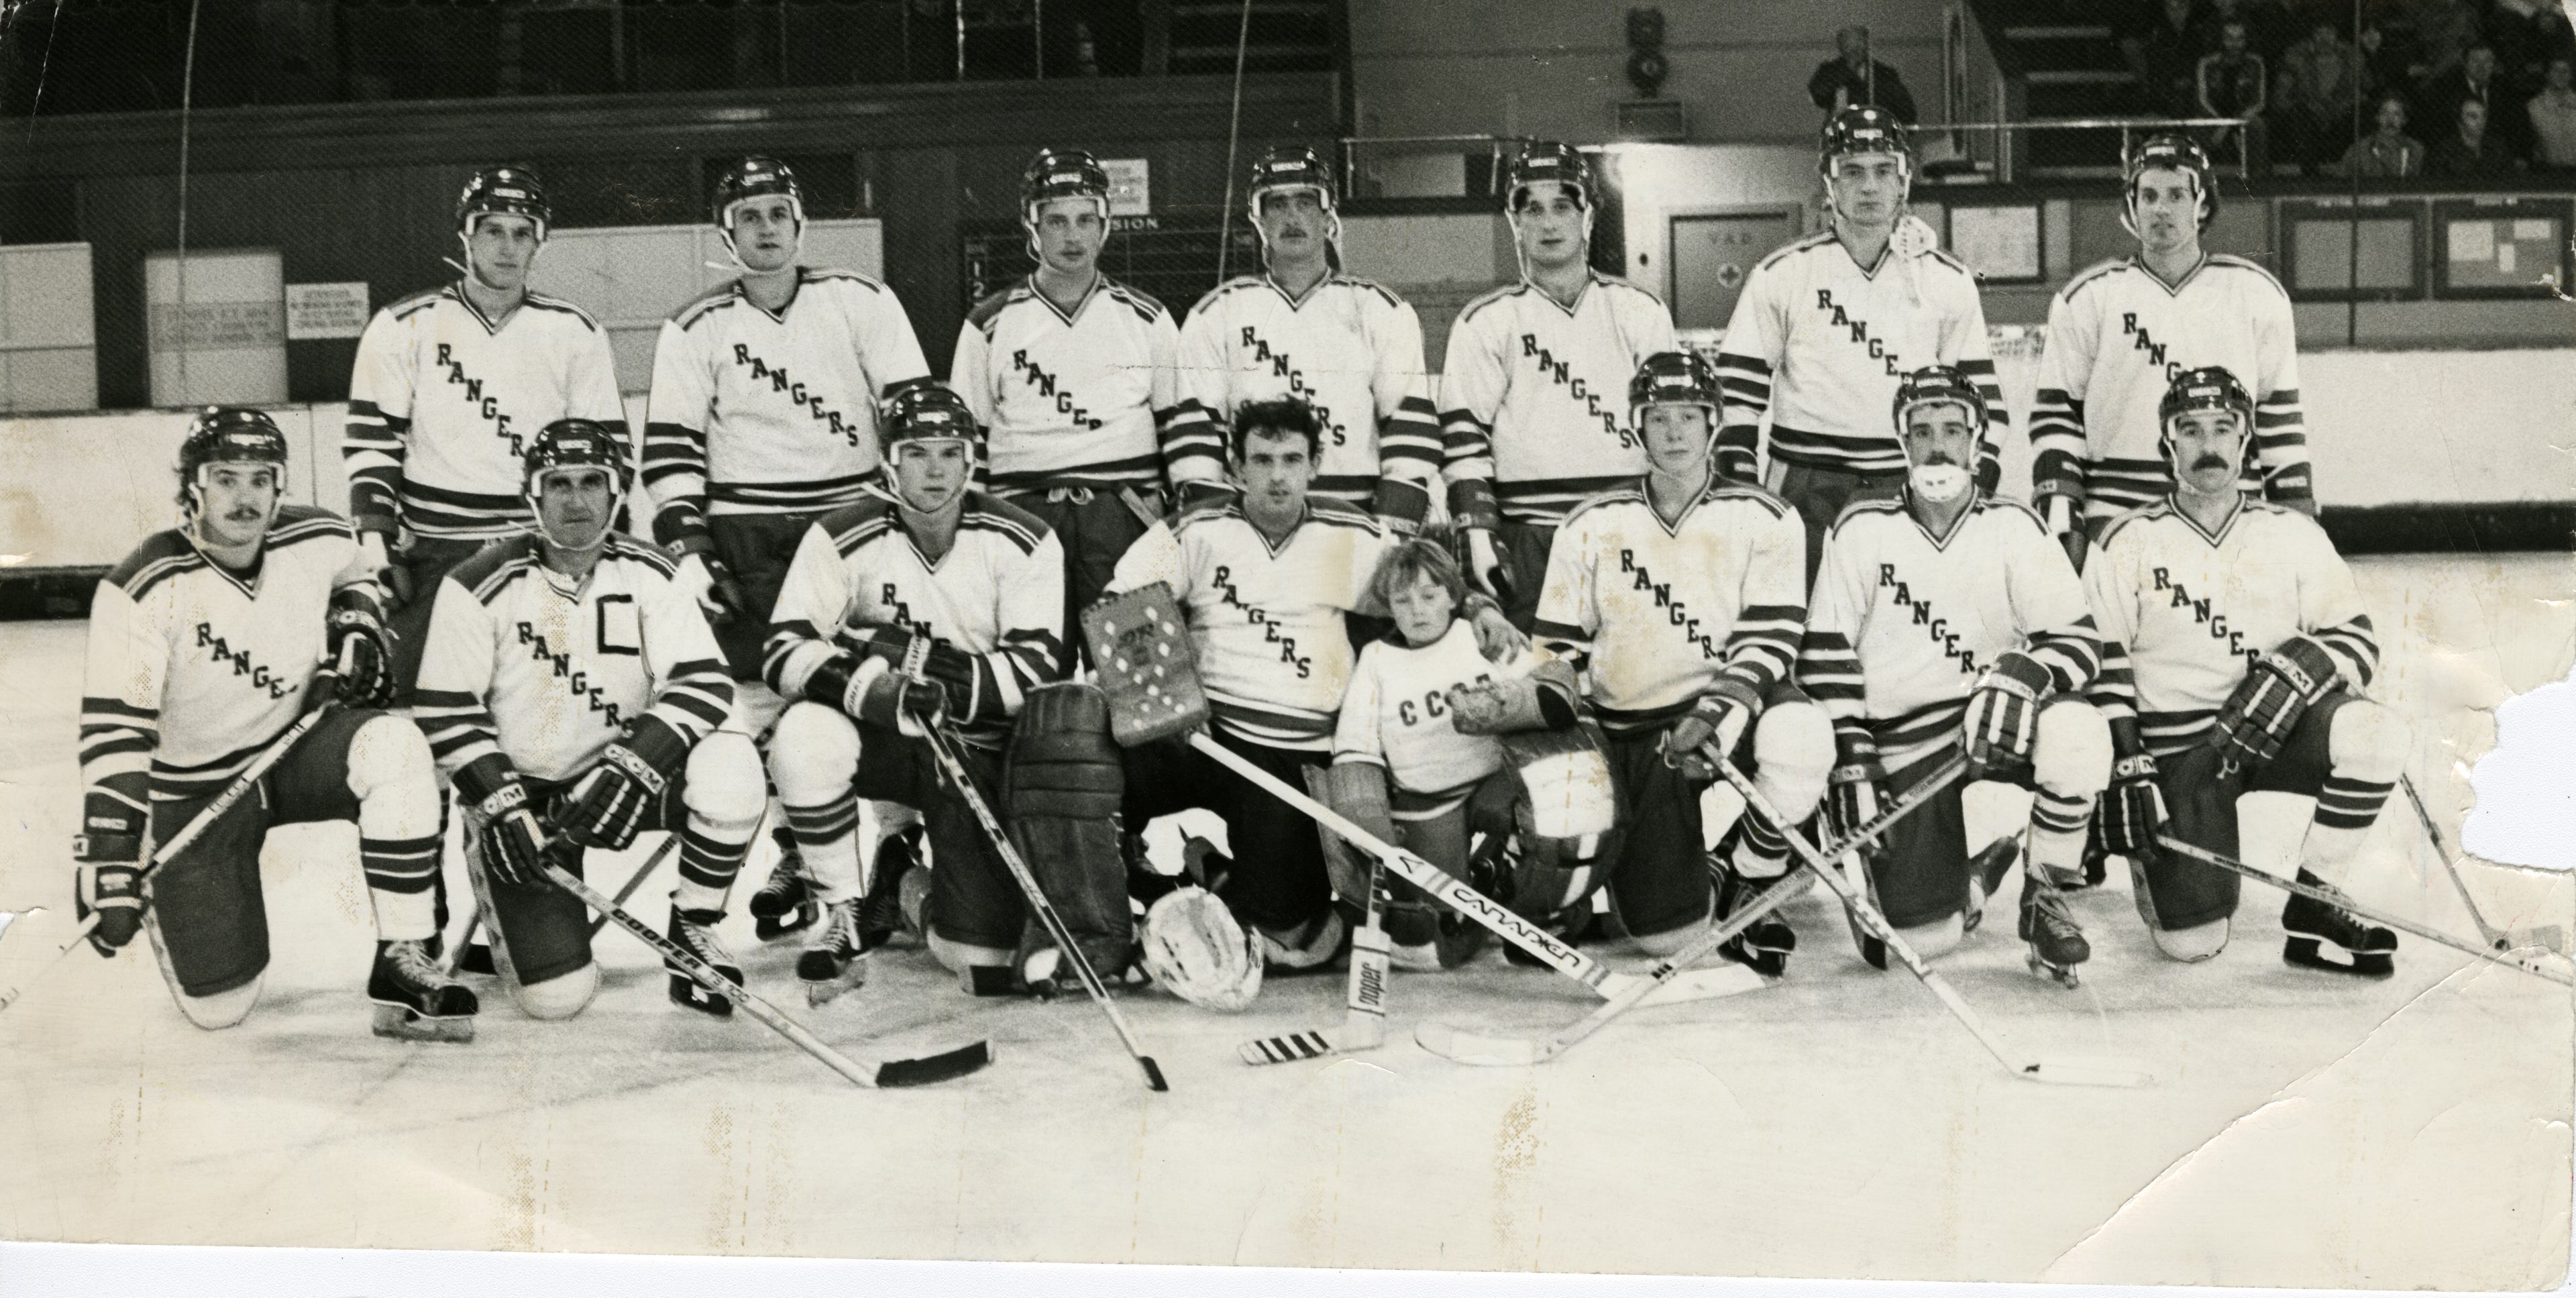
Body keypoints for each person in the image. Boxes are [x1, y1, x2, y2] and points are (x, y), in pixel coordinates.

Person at [74, 408, 469, 1040]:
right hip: (197, 790)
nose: (244, 496)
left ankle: (404, 954)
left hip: (297, 748)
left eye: (261, 478)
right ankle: (166, 867)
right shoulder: (143, 585)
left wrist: (358, 618)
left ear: (279, 484)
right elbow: (117, 732)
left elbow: (354, 575)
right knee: (219, 1006)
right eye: (225, 477)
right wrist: (110, 852)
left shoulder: (314, 535)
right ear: (192, 486)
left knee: (396, 745)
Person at [1110, 398, 1523, 982]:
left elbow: (1428, 574)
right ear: (1235, 466)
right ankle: (1103, 916)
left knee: (1291, 929)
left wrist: (1479, 606)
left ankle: (1213, 878)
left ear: (1315, 463)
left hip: (1289, 761)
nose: (1277, 474)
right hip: (1198, 736)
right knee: (1078, 766)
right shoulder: (1197, 528)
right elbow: (1120, 605)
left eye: (1291, 459)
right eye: (1262, 459)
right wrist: (1169, 698)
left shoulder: (1348, 533)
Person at [640, 155, 936, 944]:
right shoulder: (695, 326)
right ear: (725, 234)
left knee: (873, 686)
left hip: (853, 526)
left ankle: (895, 852)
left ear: (801, 226)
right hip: (747, 535)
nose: (765, 230)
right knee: (769, 704)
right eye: (749, 218)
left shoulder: (862, 302)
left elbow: (915, 420)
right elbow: (669, 454)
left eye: (778, 214)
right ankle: (799, 855)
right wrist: (693, 548)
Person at [414, 420, 760, 1020]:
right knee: (557, 1000)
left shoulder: (653, 571)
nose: (576, 500)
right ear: (534, 494)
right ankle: (509, 916)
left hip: (629, 784)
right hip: (530, 808)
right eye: (559, 483)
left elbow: (706, 681)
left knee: (733, 766)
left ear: (617, 490)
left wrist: (639, 762)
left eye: (592, 482)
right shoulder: (476, 583)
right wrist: (499, 804)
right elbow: (445, 708)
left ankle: (694, 928)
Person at [763, 384, 1085, 1000]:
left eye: (949, 451)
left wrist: (922, 672)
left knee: (981, 957)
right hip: (880, 737)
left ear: (972, 459)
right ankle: (842, 911)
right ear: (889, 459)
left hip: (973, 744)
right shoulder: (840, 534)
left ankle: (905, 886)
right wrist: (876, 687)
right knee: (802, 736)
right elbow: (783, 648)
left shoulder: (1026, 537)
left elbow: (1039, 665)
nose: (934, 468)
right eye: (916, 452)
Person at [2084, 368, 2404, 975]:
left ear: (2246, 440)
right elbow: (2105, 660)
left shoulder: (2293, 534)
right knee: (2193, 943)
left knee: (2376, 733)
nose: (2209, 444)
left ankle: (2315, 898)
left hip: (2279, 731)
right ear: (2167, 445)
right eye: (2191, 430)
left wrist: (2303, 665)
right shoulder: (2127, 541)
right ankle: (2109, 845)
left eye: (2224, 429)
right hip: (2181, 750)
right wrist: (2126, 764)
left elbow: (2357, 636)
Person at [1799, 368, 2109, 985]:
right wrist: (1853, 758)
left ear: (1978, 438)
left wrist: (2023, 673)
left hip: (1992, 719)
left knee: (2078, 734)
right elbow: (1825, 653)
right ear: (1902, 442)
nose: (1937, 445)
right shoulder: (1863, 529)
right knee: (1911, 943)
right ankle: (1975, 875)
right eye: (1921, 431)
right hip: (1901, 739)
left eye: (1951, 429)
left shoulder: (2015, 527)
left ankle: (2044, 892)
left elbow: (2078, 641)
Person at [1533, 352, 1831, 975]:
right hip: (1640, 727)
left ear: (1714, 423)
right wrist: (1561, 694)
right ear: (1638, 426)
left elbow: (1774, 635)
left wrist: (1719, 710)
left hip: (1733, 703)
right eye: (1659, 418)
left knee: (1800, 736)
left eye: (1689, 416)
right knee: (1666, 938)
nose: (1674, 433)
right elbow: (1557, 646)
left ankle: (1755, 869)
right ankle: (1711, 867)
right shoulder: (1590, 523)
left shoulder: (1768, 515)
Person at [343, 166, 627, 699]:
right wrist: (379, 547)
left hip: (544, 548)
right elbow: (372, 447)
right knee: (414, 697)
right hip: (439, 553)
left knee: (565, 700)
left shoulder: (574, 331)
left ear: (540, 243)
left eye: (523, 233)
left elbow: (609, 458)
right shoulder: (405, 324)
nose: (507, 247)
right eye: (492, 229)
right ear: (465, 235)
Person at [1715, 105, 2006, 588]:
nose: (1869, 186)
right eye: (1852, 171)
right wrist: (1745, 493)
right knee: (1799, 628)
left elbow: (1984, 402)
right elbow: (1736, 399)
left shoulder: (1946, 279)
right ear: (1829, 183)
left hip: (1909, 482)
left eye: (1883, 171)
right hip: (1805, 485)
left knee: (1906, 632)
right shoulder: (1782, 274)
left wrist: (1974, 486)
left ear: (1904, 180)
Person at [951, 147, 1212, 654]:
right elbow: (968, 440)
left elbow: (1180, 429)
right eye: (1056, 221)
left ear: (1105, 225)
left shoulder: (1148, 317)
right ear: (1032, 226)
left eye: (1085, 220)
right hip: (1021, 513)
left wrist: (1190, 519)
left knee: (1138, 674)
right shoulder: (989, 323)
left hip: (1124, 512)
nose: (1072, 236)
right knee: (1028, 663)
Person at [2031, 133, 2311, 567]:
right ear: (2132, 205)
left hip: (2231, 516)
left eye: (2177, 194)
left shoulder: (2256, 294)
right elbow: (2057, 417)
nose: (2161, 208)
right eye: (2149, 195)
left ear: (2202, 204)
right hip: (2117, 517)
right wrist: (2063, 522)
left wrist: (2299, 522)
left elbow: (2279, 420)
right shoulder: (2087, 298)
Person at [1438, 142, 1678, 630]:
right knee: (1539, 675)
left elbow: (1671, 430)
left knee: (1632, 675)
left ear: (1588, 217)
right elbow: (1463, 442)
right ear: (1515, 223)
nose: (1549, 223)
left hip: (1625, 523)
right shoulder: (1485, 321)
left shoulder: (1640, 311)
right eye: (1533, 209)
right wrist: (1478, 534)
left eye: (1563, 207)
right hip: (1529, 534)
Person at [1326, 537, 1587, 969]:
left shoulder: (1479, 636)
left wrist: (1522, 699)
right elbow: (1356, 743)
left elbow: (1551, 682)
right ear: (1388, 607)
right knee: (1442, 938)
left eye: (1430, 596)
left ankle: (1542, 910)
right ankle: (1480, 886)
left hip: (1496, 780)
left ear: (1452, 596)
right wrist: (1363, 808)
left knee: (1550, 817)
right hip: (1428, 798)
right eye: (1403, 600)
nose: (1418, 610)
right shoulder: (1376, 660)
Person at [1175, 146, 1442, 533]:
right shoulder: (1216, 313)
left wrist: (1390, 531)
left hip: (1356, 516)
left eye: (1305, 201)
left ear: (1328, 216)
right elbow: (1198, 435)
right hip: (1254, 520)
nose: (1292, 216)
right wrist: (1214, 531)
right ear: (1258, 219)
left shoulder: (1381, 309)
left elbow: (1408, 428)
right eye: (1277, 204)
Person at [2272, 19, 2363, 173]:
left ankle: (2356, 176)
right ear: (2312, 36)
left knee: (2360, 112)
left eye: (2330, 33)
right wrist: (2306, 105)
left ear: (2337, 36)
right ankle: (2310, 176)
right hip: (2307, 118)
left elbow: (2363, 93)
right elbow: (2279, 99)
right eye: (2320, 33)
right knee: (2300, 115)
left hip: (2341, 116)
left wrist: (2341, 106)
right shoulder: (2295, 59)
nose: (2325, 38)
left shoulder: (2352, 59)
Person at [1807, 25, 1919, 124]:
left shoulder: (1884, 73)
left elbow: (1905, 108)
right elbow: (1818, 96)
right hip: (1839, 133)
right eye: (1851, 47)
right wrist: (1848, 71)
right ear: (1841, 47)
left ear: (1867, 45)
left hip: (1876, 131)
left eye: (1860, 44)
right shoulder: (1829, 70)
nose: (1857, 50)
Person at [2196, 19, 2269, 167]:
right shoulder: (2207, 63)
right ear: (2221, 39)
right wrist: (2221, 123)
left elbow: (2260, 103)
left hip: (2244, 117)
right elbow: (2203, 100)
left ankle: (2259, 177)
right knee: (2197, 126)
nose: (2234, 43)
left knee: (2258, 125)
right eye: (2229, 38)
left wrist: (2231, 125)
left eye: (2239, 38)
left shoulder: (2256, 63)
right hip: (2214, 116)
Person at [2428, 96, 2528, 176]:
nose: (2481, 122)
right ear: (2459, 122)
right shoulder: (2445, 151)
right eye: (2473, 116)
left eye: (2483, 116)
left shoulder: (2498, 146)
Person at [2332, 92, 2428, 176]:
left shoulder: (2417, 150)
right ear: (2377, 117)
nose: (2390, 120)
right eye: (2384, 113)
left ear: (2404, 120)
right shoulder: (2359, 150)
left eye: (2397, 114)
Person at [2527, 56, 2576, 168]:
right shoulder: (2534, 106)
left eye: (2565, 71)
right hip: (2547, 174)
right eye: (2556, 71)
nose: (2561, 75)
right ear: (2547, 75)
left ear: (2571, 76)